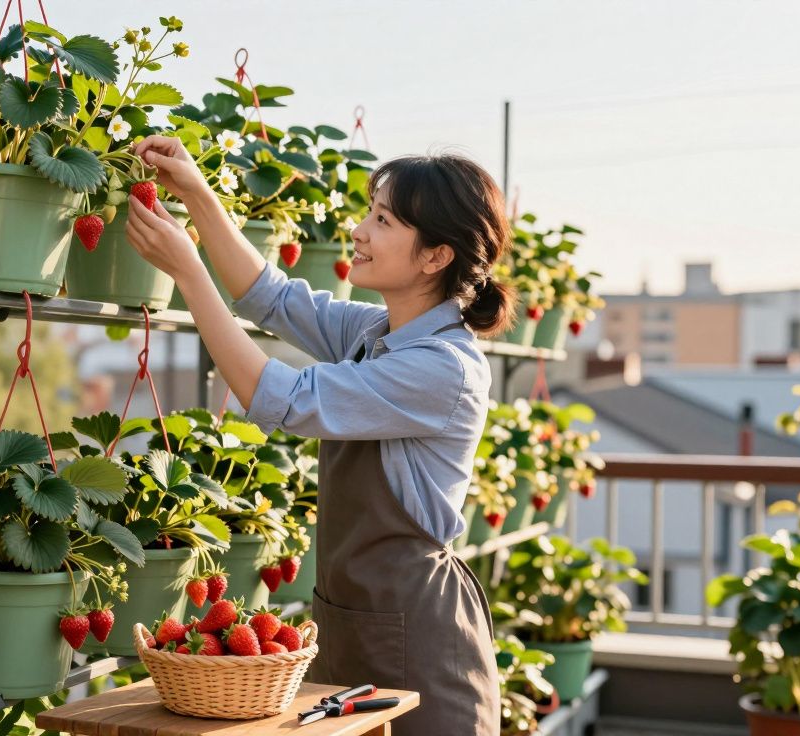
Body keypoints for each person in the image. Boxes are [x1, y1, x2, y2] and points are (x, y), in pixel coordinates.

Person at [124, 136, 514, 735]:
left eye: (382, 220)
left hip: (424, 642)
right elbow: (271, 298)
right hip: (357, 623)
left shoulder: (443, 367)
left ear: (435, 256)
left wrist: (187, 270)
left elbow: (280, 397)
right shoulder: (378, 333)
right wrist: (197, 194)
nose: (358, 231)